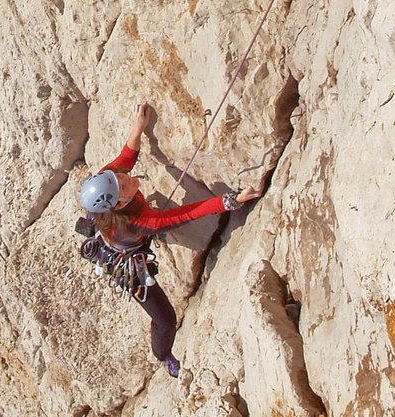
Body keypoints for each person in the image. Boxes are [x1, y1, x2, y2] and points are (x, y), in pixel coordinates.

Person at [77, 102, 259, 377]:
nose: (127, 179)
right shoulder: (140, 221)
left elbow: (124, 159)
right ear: (118, 204)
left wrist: (138, 127)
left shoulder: (108, 182)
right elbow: (184, 214)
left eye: (120, 178)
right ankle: (162, 355)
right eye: (124, 186)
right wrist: (231, 200)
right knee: (165, 319)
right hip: (125, 262)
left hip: (112, 238)